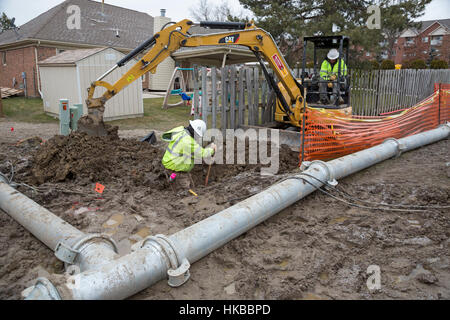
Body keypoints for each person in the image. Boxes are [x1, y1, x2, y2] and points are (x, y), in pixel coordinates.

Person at [161, 119, 216, 190]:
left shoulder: (181, 131)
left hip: (172, 165)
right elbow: (201, 153)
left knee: (192, 187)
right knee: (187, 192)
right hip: (176, 170)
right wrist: (211, 150)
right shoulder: (187, 141)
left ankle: (170, 183)